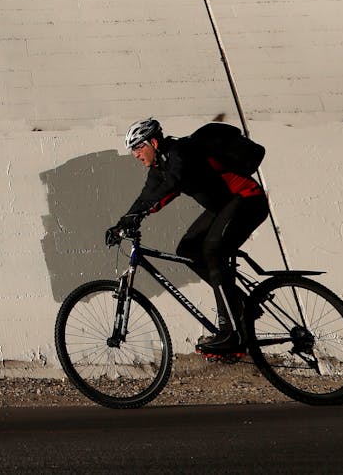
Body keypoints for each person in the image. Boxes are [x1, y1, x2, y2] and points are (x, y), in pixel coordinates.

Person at [104, 118, 270, 355]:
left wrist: (140, 214)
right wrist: (123, 223)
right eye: (132, 150)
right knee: (189, 249)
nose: (135, 155)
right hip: (224, 206)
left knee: (213, 250)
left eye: (138, 147)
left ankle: (230, 332)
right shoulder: (159, 167)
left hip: (247, 199)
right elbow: (148, 196)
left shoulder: (181, 152)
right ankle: (240, 303)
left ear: (153, 142)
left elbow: (173, 182)